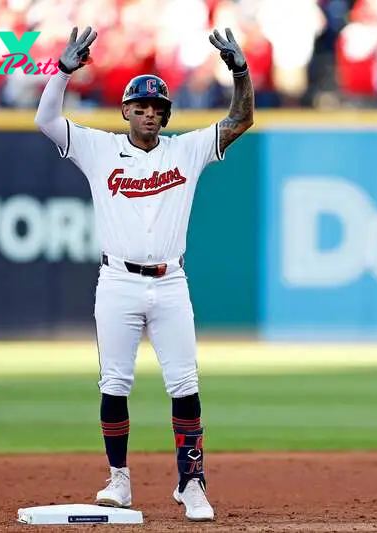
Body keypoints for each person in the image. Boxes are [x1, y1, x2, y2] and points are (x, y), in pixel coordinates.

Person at [33, 26, 254, 522]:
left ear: (165, 115)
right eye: (141, 105)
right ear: (126, 110)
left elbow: (241, 117)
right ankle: (119, 479)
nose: (150, 112)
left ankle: (191, 482)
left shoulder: (186, 150)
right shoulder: (98, 149)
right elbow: (46, 119)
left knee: (185, 383)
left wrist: (239, 71)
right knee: (114, 383)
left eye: (158, 107)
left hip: (171, 281)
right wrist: (63, 71)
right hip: (117, 281)